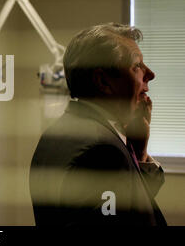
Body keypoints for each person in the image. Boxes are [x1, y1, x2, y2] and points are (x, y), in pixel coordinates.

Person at [30, 23, 167, 226]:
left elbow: (129, 208)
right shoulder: (101, 152)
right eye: (137, 66)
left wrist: (139, 155)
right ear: (103, 82)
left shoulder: (57, 133)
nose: (150, 74)